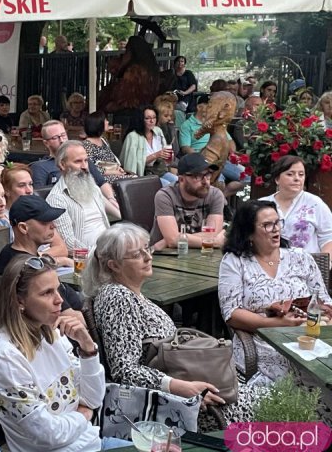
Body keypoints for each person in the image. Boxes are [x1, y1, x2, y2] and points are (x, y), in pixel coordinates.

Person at [84, 224, 263, 431]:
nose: (148, 257)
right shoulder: (117, 297)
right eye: (136, 254)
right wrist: (180, 388)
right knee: (276, 406)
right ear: (113, 265)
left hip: (187, 391)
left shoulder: (130, 294)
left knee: (276, 398)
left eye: (146, 248)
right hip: (177, 405)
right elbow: (125, 371)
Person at [0, 254, 131, 452]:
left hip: (93, 443)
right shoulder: (5, 357)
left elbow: (94, 398)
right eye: (46, 293)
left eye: (58, 289)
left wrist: (87, 347)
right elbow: (48, 435)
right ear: (19, 301)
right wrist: (83, 415)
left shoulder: (52, 332)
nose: (59, 300)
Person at [219, 200, 332, 385]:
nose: (276, 229)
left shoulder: (300, 257)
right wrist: (273, 323)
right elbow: (231, 314)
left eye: (277, 222)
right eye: (267, 225)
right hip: (263, 343)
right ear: (248, 233)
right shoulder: (234, 262)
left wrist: (321, 320)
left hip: (309, 338)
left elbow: (324, 303)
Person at [0, 194, 77, 297]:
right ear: (23, 228)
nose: (53, 225)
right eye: (44, 221)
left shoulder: (9, 253)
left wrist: (63, 261)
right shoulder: (27, 268)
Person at [31, 121, 121, 214]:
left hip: (93, 206)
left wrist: (111, 198)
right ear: (46, 143)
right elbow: (39, 199)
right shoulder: (40, 167)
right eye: (55, 138)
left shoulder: (83, 160)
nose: (62, 140)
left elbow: (101, 182)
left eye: (63, 135)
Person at [46, 141, 114, 250]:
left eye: (86, 161)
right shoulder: (57, 199)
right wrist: (97, 255)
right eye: (78, 161)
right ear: (62, 165)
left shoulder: (94, 188)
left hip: (109, 247)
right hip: (87, 257)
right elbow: (67, 243)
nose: (84, 166)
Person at [260, 155, 332, 256]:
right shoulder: (261, 205)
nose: (297, 178)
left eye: (301, 174)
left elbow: (328, 237)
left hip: (306, 268)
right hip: (268, 266)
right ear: (277, 179)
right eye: (290, 174)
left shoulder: (315, 203)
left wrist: (324, 265)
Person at [150, 153, 225, 249]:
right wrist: (213, 242)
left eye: (208, 174)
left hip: (198, 254)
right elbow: (173, 241)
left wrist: (169, 240)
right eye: (198, 176)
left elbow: (214, 233)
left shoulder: (215, 195)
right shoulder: (165, 196)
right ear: (181, 179)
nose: (205, 181)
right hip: (164, 255)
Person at [0, 165, 70, 259]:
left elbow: (62, 249)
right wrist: (38, 259)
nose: (29, 191)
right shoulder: (2, 219)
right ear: (6, 191)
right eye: (22, 185)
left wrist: (40, 257)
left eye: (30, 184)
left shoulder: (38, 206)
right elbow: (15, 257)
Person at [119, 105, 177, 186]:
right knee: (168, 186)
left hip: (159, 171)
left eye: (154, 117)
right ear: (141, 120)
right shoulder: (132, 136)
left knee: (178, 182)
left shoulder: (158, 131)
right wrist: (156, 155)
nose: (152, 121)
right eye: (148, 118)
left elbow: (165, 153)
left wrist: (168, 157)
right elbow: (132, 164)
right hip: (143, 174)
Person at [82, 111, 134, 183]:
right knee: (131, 181)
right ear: (98, 124)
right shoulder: (87, 145)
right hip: (100, 178)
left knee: (135, 178)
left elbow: (110, 159)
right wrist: (112, 172)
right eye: (105, 120)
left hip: (113, 173)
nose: (107, 122)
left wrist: (117, 168)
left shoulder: (103, 139)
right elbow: (90, 168)